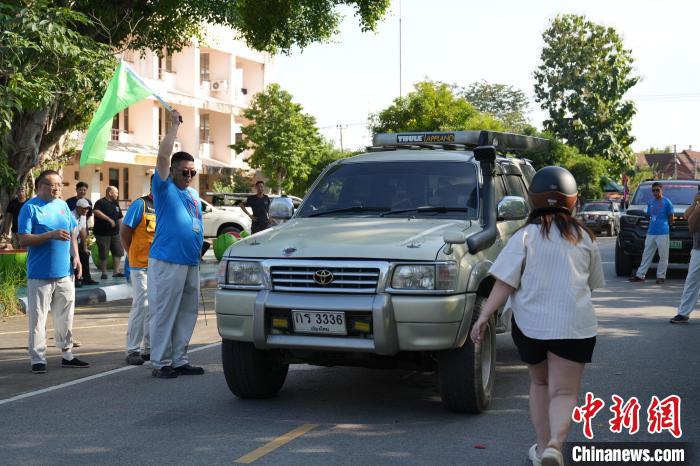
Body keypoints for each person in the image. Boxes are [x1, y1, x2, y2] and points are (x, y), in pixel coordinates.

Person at [470, 166, 604, 466]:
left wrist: (483, 317)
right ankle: (557, 443)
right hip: (574, 327)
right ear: (573, 200)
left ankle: (543, 448)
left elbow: (505, 282)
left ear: (532, 199)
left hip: (530, 327)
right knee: (564, 391)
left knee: (541, 385)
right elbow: (592, 284)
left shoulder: (524, 237)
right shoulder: (584, 237)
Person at [148, 109, 204, 379]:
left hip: (190, 262)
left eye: (192, 172)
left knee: (187, 312)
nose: (189, 175)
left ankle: (180, 359)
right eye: (184, 171)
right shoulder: (164, 187)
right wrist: (173, 126)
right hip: (167, 260)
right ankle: (160, 362)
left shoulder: (193, 194)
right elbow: (162, 156)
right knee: (165, 312)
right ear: (172, 171)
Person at [18, 170, 90, 373]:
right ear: (40, 186)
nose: (57, 188)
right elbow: (23, 240)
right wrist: (50, 235)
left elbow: (72, 233)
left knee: (65, 316)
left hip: (64, 273)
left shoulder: (62, 206)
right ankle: (38, 358)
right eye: (52, 185)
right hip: (40, 274)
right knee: (38, 319)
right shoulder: (30, 208)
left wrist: (75, 256)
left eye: (60, 184)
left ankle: (67, 354)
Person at [121, 176, 156, 365]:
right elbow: (124, 232)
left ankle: (149, 348)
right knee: (141, 306)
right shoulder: (141, 205)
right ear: (152, 185)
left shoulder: (166, 207)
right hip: (140, 265)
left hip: (158, 266)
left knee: (153, 307)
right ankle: (133, 350)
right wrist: (131, 254)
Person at [629, 182, 674, 284]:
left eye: (657, 190)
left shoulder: (667, 202)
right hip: (651, 232)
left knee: (663, 255)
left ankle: (661, 277)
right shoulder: (650, 202)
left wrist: (668, 226)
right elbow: (650, 215)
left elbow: (671, 217)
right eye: (653, 190)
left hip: (663, 232)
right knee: (646, 254)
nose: (655, 192)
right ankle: (640, 275)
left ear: (662, 190)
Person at [670, 191, 700, 323]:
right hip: (698, 249)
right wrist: (695, 203)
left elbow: (692, 225)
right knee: (691, 281)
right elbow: (686, 216)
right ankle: (683, 313)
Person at [93, 186, 124, 279]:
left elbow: (119, 217)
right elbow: (96, 211)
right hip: (102, 233)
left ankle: (116, 271)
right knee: (104, 253)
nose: (117, 195)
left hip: (115, 233)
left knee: (118, 252)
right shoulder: (100, 202)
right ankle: (104, 273)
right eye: (116, 193)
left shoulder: (116, 204)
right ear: (110, 193)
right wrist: (109, 219)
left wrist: (122, 230)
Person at [71, 198, 98, 287]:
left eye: (87, 208)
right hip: (68, 241)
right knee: (74, 257)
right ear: (77, 207)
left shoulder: (83, 215)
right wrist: (76, 252)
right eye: (84, 208)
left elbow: (83, 232)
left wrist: (85, 247)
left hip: (76, 239)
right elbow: (73, 235)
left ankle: (86, 278)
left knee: (85, 254)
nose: (86, 210)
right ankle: (76, 279)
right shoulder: (72, 216)